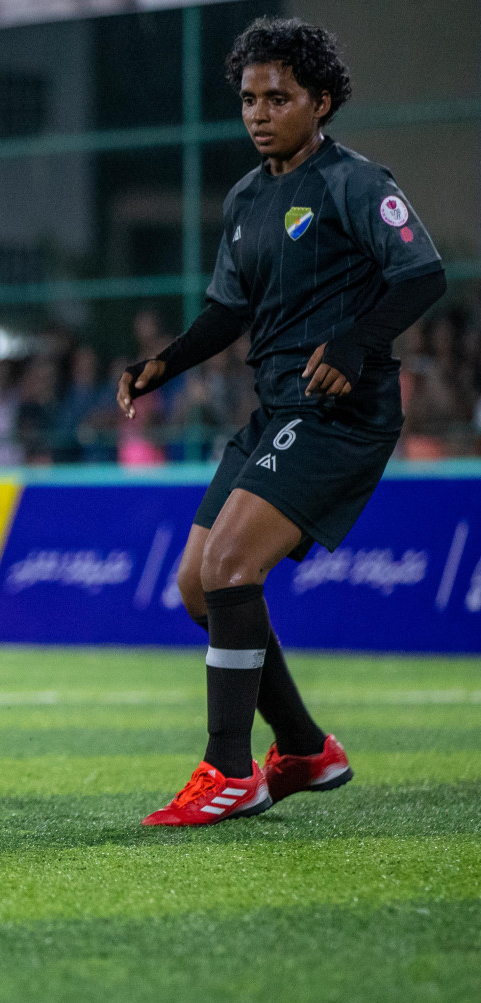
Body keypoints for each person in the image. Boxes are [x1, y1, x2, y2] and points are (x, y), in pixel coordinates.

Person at [117, 17, 446, 826]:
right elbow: (228, 310)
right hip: (275, 411)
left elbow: (423, 274)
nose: (260, 113)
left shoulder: (355, 182)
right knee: (198, 586)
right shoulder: (247, 197)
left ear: (320, 102)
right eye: (249, 99)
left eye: (279, 97)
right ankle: (302, 748)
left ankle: (230, 771)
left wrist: (356, 341)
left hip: (338, 411)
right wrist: (166, 361)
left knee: (231, 566)